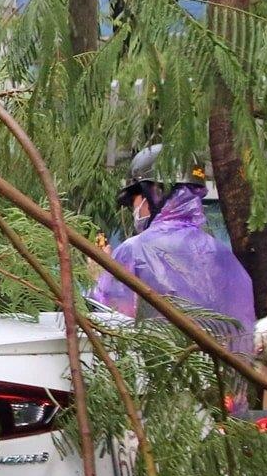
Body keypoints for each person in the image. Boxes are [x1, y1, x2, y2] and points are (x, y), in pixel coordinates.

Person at [89, 145, 256, 358]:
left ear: (153, 193)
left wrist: (98, 276)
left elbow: (109, 319)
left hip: (158, 370)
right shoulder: (223, 255)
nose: (134, 208)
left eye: (134, 199)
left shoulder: (134, 250)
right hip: (224, 373)